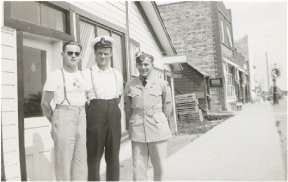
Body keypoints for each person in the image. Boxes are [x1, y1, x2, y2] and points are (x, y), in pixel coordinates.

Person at [41, 41, 88, 180]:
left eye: (77, 53)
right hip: (63, 115)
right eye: (70, 53)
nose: (73, 56)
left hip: (81, 115)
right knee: (64, 162)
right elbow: (44, 103)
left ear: (80, 56)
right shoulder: (55, 75)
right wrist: (56, 120)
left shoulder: (83, 75)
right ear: (63, 54)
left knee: (80, 160)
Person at [124, 51, 173, 181]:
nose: (143, 67)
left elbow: (167, 106)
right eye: (140, 64)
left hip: (158, 129)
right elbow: (127, 107)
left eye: (146, 64)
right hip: (138, 130)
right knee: (138, 167)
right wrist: (137, 118)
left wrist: (158, 118)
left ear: (152, 65)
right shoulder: (130, 85)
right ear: (136, 66)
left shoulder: (162, 84)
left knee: (159, 167)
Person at [83, 35, 123, 181]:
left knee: (113, 155)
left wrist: (110, 109)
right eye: (100, 53)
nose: (103, 56)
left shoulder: (116, 74)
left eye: (106, 53)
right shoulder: (87, 73)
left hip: (113, 112)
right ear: (95, 54)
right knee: (94, 155)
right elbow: (84, 98)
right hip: (95, 113)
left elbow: (118, 97)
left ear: (111, 54)